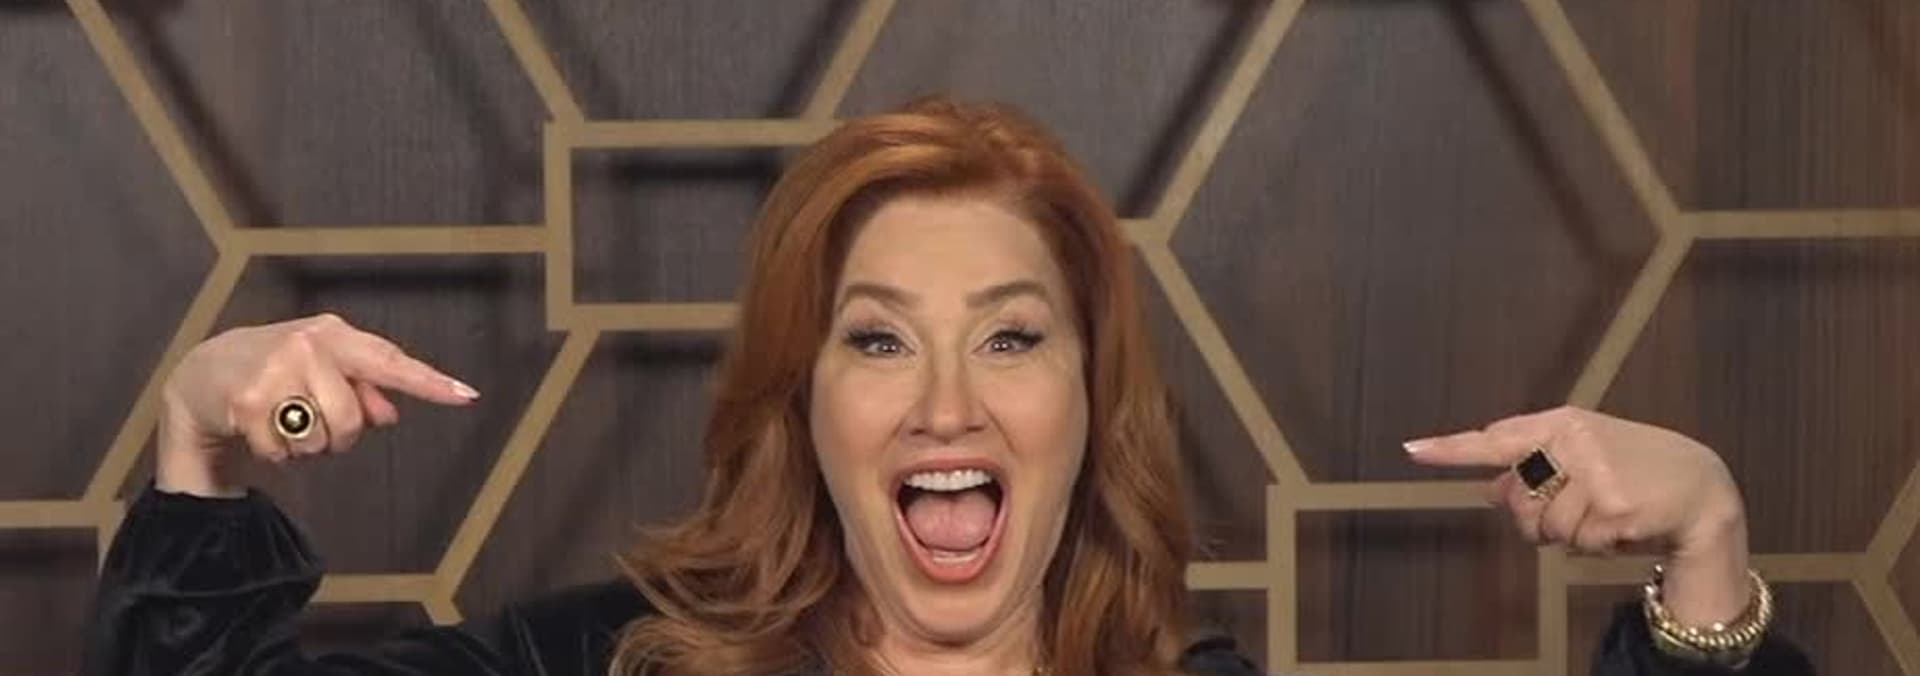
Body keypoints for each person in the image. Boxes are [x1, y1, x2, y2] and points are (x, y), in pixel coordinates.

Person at [82, 99, 1813, 675]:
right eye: (876, 337)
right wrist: (199, 449)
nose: (945, 409)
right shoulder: (611, 664)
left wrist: (1709, 553)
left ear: (1088, 397)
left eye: (1010, 335)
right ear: (802, 400)